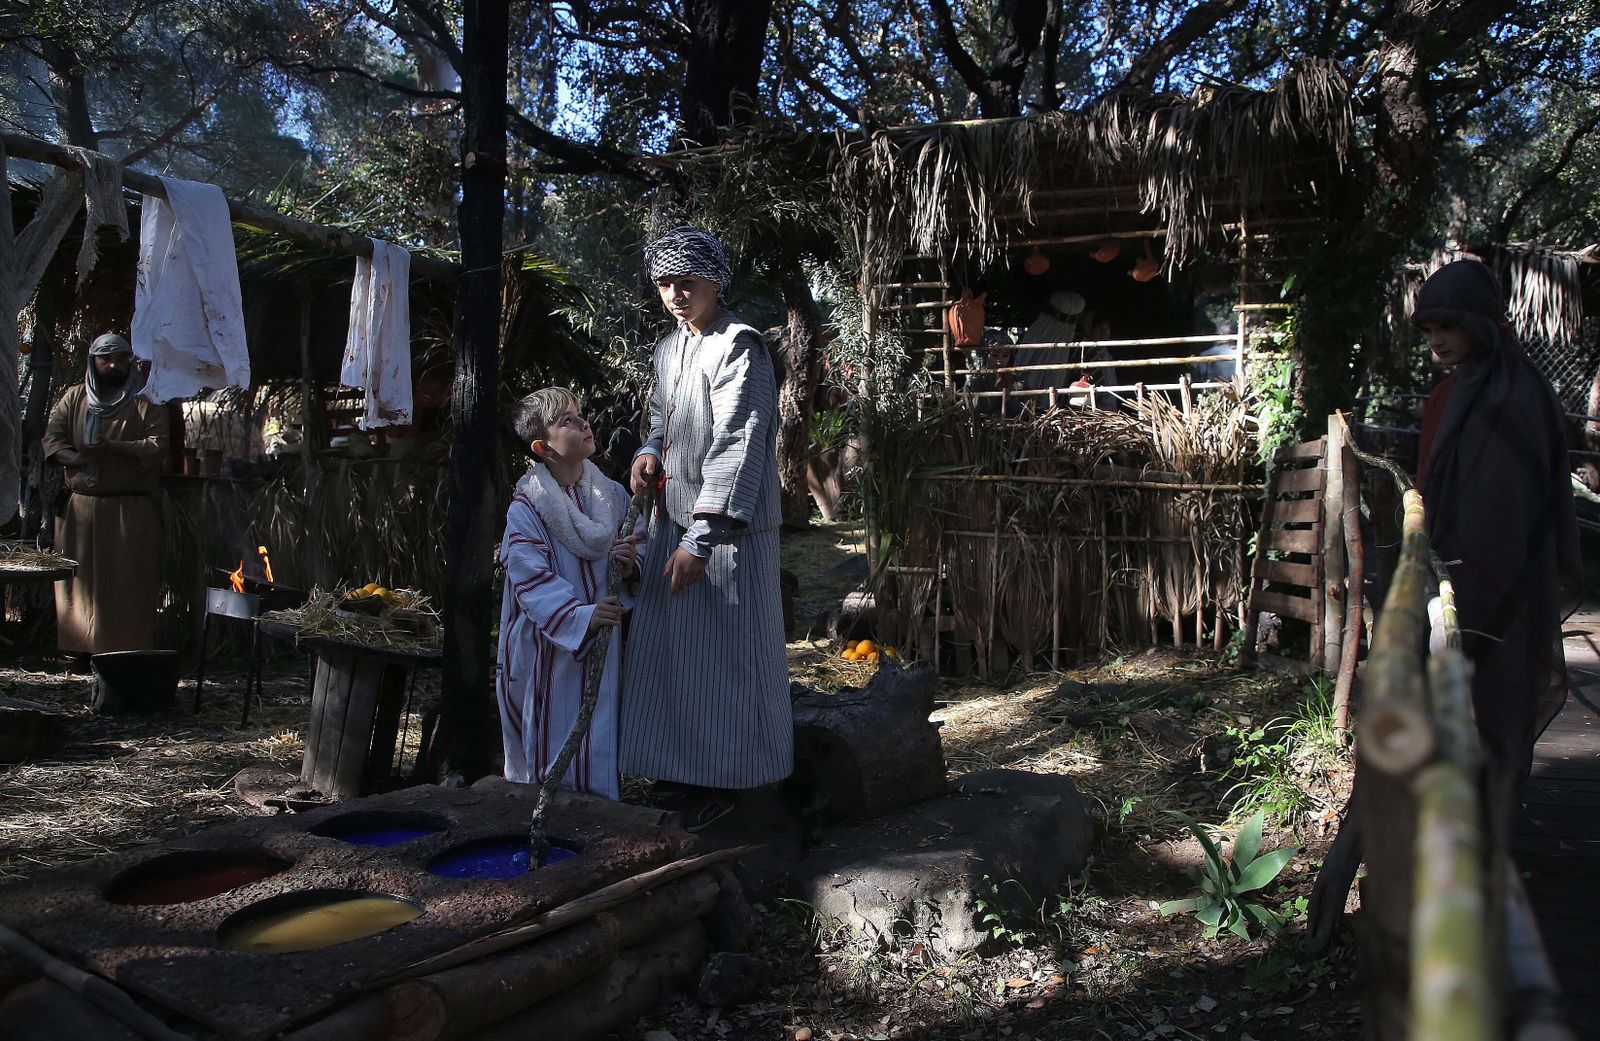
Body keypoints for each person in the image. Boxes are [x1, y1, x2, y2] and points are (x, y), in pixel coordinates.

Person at [621, 226, 793, 827]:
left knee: (728, 656)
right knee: (675, 654)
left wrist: (703, 539)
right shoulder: (671, 347)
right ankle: (682, 775)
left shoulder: (740, 345)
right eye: (664, 282)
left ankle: (737, 785)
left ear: (716, 282)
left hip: (729, 535)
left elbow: (739, 445)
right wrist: (648, 449)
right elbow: (660, 418)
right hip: (676, 522)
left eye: (685, 282)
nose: (674, 293)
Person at [1413, 258, 1580, 785]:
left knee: (1498, 703)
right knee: (1451, 705)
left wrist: (1481, 575)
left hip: (1504, 579)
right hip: (1451, 575)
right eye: (1431, 329)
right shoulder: (1452, 391)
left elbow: (1516, 499)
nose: (1438, 340)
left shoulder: (1519, 395)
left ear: (1481, 322)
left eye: (1450, 325)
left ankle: (1492, 841)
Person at [496, 388, 641, 799]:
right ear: (543, 448)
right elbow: (528, 576)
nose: (582, 424)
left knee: (597, 733)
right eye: (567, 421)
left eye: (580, 415)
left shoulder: (610, 494)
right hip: (548, 648)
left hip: (601, 645)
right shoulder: (528, 508)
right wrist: (581, 617)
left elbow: (639, 538)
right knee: (550, 739)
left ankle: (599, 833)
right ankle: (546, 827)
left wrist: (630, 563)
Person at [42, 332, 170, 656]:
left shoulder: (146, 401)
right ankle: (78, 649)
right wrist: (79, 458)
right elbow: (53, 441)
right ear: (93, 361)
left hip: (128, 509)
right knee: (78, 584)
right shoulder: (73, 398)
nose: (113, 364)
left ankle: (126, 653)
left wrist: (113, 448)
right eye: (105, 358)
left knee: (128, 584)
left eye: (119, 358)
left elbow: (158, 446)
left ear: (130, 360)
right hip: (81, 510)